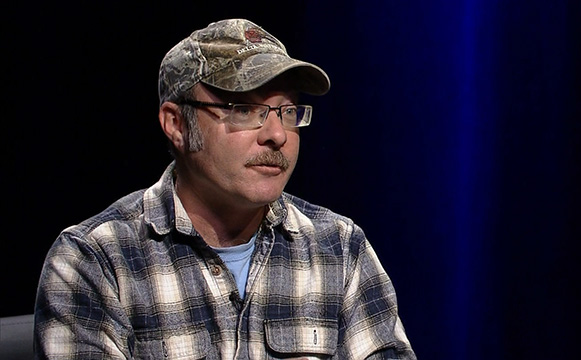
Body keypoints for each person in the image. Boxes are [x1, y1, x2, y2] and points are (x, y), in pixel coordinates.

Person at [34, 18, 416, 359]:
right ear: (177, 124)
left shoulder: (338, 247)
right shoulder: (97, 260)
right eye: (244, 110)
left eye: (288, 111)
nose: (277, 135)